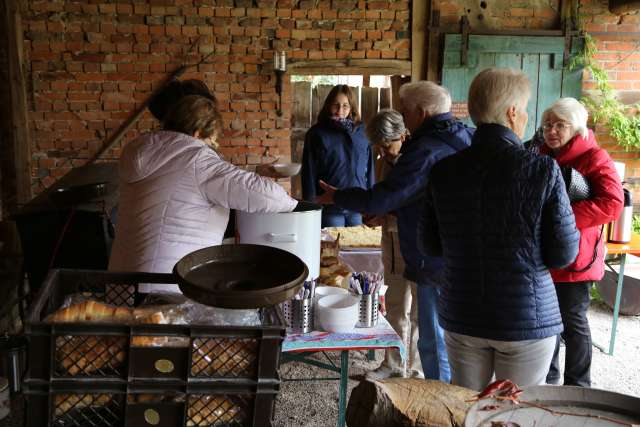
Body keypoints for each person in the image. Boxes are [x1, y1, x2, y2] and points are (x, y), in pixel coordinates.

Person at [418, 68, 581, 391]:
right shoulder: (542, 169)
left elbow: (430, 246)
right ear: (511, 112)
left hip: (463, 312)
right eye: (525, 108)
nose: (526, 116)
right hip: (525, 318)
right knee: (515, 415)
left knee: (469, 410)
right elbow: (564, 253)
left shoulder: (444, 171)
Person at [316, 82, 474, 382]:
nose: (404, 116)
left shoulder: (424, 151)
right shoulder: (463, 137)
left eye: (406, 110)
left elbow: (384, 197)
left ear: (421, 113)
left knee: (432, 333)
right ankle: (404, 369)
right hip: (441, 250)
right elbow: (411, 198)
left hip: (430, 253)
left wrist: (338, 196)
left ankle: (431, 392)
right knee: (428, 325)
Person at [109, 95, 298, 292]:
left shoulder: (139, 150)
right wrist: (293, 203)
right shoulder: (196, 158)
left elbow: (181, 181)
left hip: (120, 284)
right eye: (212, 142)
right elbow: (268, 197)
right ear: (197, 133)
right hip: (166, 288)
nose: (213, 149)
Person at [539, 98, 624, 387]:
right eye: (548, 124)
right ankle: (547, 380)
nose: (552, 131)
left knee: (573, 323)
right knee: (545, 322)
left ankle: (578, 385)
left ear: (575, 127)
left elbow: (613, 203)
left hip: (577, 256)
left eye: (560, 125)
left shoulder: (594, 157)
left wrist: (561, 216)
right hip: (545, 254)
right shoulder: (539, 152)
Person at [361, 109, 423, 380]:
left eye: (387, 145)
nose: (383, 151)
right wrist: (375, 215)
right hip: (391, 236)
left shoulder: (420, 158)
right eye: (378, 146)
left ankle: (419, 369)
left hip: (419, 240)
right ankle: (394, 363)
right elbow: (382, 197)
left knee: (421, 309)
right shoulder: (382, 161)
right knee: (395, 304)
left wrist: (387, 210)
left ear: (402, 134)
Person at [301, 85, 375, 227]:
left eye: (345, 106)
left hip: (356, 204)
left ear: (352, 107)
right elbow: (308, 172)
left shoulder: (362, 132)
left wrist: (371, 202)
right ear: (328, 105)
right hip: (330, 205)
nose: (340, 111)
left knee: (356, 247)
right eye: (336, 105)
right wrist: (310, 205)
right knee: (331, 247)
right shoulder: (317, 133)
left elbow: (370, 167)